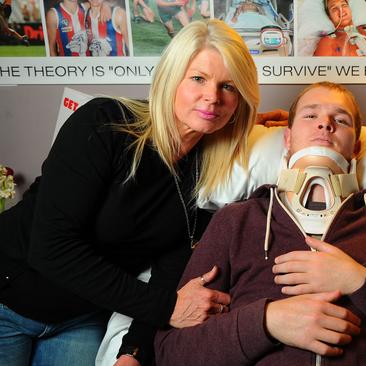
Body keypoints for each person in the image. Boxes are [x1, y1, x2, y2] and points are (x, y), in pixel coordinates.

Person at [0, 19, 259, 366]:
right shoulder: (104, 123)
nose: (212, 96)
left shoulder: (210, 175)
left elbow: (172, 272)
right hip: (9, 294)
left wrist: (132, 351)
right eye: (198, 78)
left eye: (228, 86)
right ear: (171, 78)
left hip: (80, 318)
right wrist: (167, 308)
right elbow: (51, 248)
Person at [155, 82, 366, 365]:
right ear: (287, 140)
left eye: (341, 119)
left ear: (356, 146)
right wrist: (267, 322)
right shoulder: (236, 222)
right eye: (310, 115)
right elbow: (170, 352)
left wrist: (362, 283)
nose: (325, 124)